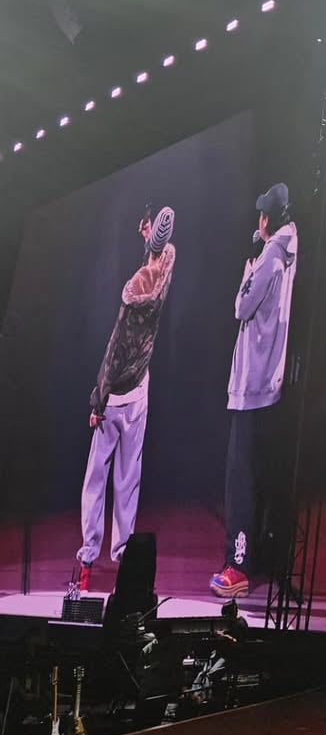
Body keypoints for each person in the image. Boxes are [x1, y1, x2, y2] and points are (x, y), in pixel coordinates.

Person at [75, 206, 176, 592]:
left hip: (116, 399)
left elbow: (113, 353)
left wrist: (97, 400)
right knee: (128, 478)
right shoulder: (165, 269)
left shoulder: (131, 301)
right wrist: (153, 240)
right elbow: (161, 252)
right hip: (140, 392)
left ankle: (88, 557)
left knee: (95, 479)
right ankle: (122, 554)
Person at [210, 183, 298, 599]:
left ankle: (238, 566)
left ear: (267, 218)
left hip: (251, 385)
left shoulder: (269, 259)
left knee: (240, 480)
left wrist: (249, 267)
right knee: (262, 476)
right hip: (272, 383)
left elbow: (241, 307)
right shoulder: (291, 250)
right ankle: (263, 555)